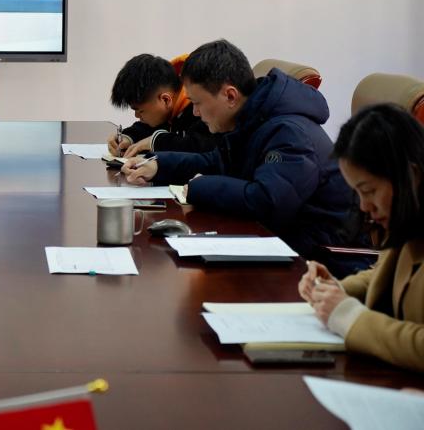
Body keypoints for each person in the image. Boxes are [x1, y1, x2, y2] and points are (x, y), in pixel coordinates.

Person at [122, 39, 367, 275]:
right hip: (280, 243)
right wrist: (158, 164)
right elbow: (216, 161)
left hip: (321, 263)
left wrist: (199, 187)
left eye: (197, 103)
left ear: (230, 96)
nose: (195, 112)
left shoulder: (290, 134)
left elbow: (266, 201)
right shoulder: (253, 119)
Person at [299, 104, 424, 372]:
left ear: (411, 175)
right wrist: (335, 290)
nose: (365, 206)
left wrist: (348, 316)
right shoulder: (408, 215)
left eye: (369, 191)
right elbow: (388, 273)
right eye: (358, 193)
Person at [106, 53, 216, 157]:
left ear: (165, 100)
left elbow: (197, 146)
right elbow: (149, 128)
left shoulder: (200, 112)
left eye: (141, 111)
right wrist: (128, 137)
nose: (137, 116)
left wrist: (155, 142)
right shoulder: (169, 109)